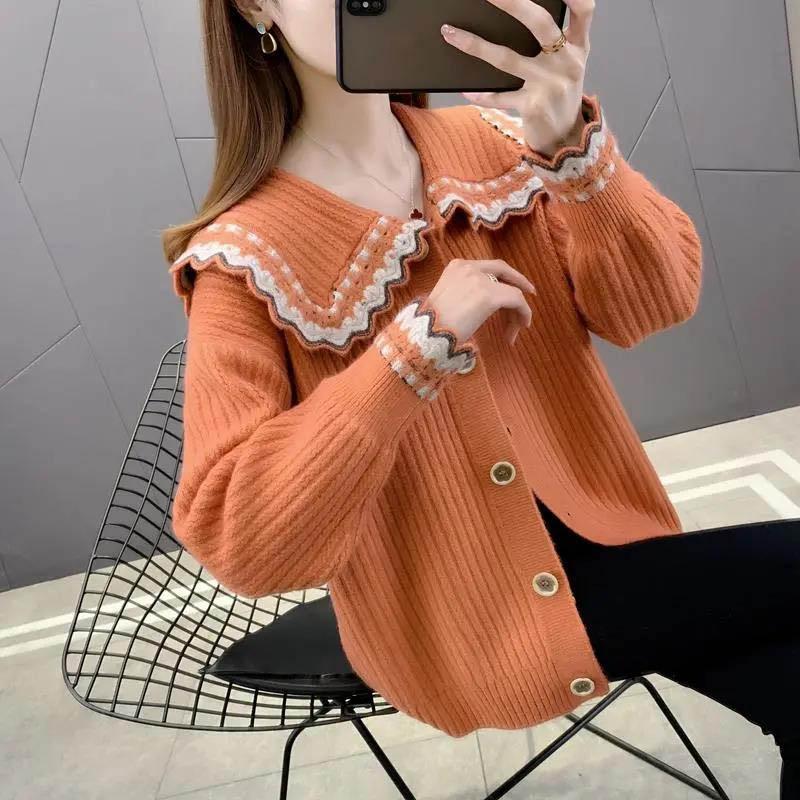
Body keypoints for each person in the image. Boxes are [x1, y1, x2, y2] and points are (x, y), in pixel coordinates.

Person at [161, 1, 800, 794]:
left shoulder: (501, 145)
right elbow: (242, 538)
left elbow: (656, 302)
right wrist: (411, 351)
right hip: (466, 624)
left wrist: (571, 149)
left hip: (619, 547)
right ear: (255, 5)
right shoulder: (241, 259)